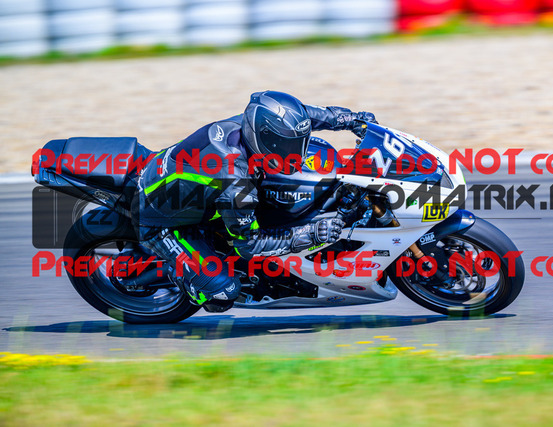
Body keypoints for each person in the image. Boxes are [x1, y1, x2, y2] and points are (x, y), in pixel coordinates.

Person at [133, 90, 377, 312]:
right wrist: (311, 234)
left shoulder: (255, 120)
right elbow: (250, 245)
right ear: (266, 139)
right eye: (287, 146)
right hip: (160, 222)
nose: (296, 153)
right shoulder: (235, 181)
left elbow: (308, 116)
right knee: (222, 294)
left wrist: (353, 120)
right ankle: (180, 273)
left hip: (182, 185)